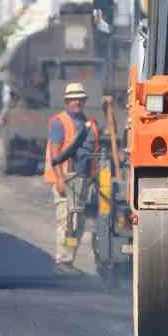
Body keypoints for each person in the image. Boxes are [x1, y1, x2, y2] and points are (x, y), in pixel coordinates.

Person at [44, 81, 101, 274]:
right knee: (66, 220)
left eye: (79, 99)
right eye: (73, 99)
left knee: (79, 223)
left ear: (84, 101)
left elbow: (94, 152)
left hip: (84, 180)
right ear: (67, 101)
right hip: (66, 178)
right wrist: (59, 178)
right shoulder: (59, 122)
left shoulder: (90, 124)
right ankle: (62, 261)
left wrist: (94, 177)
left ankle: (69, 260)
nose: (76, 102)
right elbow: (55, 152)